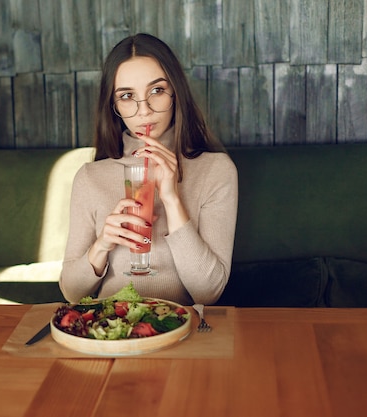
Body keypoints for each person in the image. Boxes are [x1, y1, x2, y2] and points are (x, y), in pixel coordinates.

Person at [59, 33, 238, 306]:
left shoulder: (215, 170)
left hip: (182, 331)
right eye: (128, 96)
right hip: (111, 331)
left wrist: (171, 198)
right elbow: (71, 293)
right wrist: (102, 245)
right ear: (114, 106)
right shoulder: (90, 177)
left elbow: (208, 292)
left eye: (157, 91)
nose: (144, 111)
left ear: (175, 93)